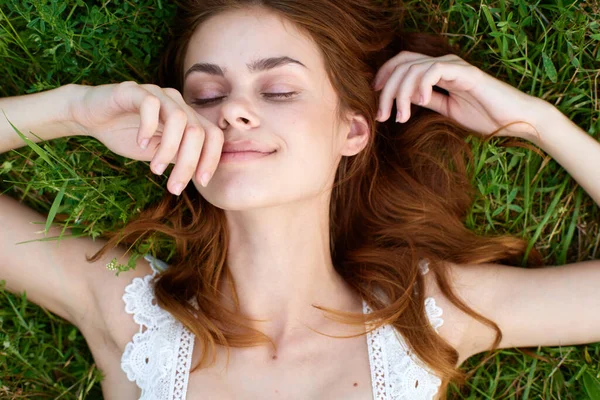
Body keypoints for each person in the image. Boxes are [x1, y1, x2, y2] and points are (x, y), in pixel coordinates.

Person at [0, 0, 598, 399]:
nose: (232, 110)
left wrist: (537, 123)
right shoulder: (126, 311)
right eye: (204, 95)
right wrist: (73, 111)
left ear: (353, 130)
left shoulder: (426, 313)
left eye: (279, 89)